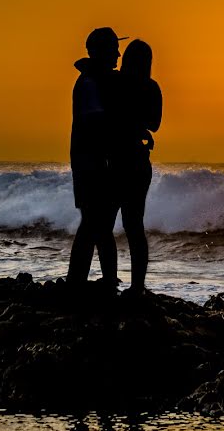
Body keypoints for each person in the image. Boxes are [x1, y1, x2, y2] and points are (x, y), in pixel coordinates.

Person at [67, 26, 127, 289]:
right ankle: (87, 284)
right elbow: (98, 126)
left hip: (90, 165)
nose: (118, 53)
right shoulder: (92, 83)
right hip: (93, 167)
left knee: (96, 227)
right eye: (113, 48)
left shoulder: (96, 81)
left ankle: (93, 283)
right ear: (100, 52)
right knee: (96, 227)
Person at [111, 39, 162, 294]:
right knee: (134, 227)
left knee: (107, 224)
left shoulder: (115, 84)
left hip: (114, 162)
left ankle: (111, 281)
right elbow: (155, 124)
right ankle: (137, 286)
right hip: (138, 162)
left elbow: (109, 119)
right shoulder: (151, 87)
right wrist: (139, 126)